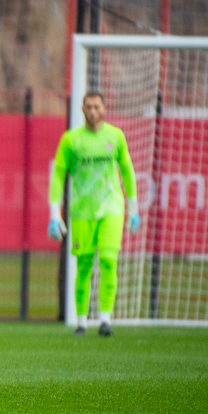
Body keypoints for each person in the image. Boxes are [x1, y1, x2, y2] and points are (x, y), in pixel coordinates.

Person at [47, 91, 140, 337]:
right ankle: (81, 322)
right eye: (88, 107)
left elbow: (127, 171)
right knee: (84, 265)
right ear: (82, 109)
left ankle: (105, 320)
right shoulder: (71, 140)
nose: (92, 111)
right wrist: (54, 213)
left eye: (97, 106)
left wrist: (134, 208)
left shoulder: (115, 136)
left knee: (109, 261)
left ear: (104, 109)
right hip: (82, 211)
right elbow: (58, 175)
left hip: (112, 208)